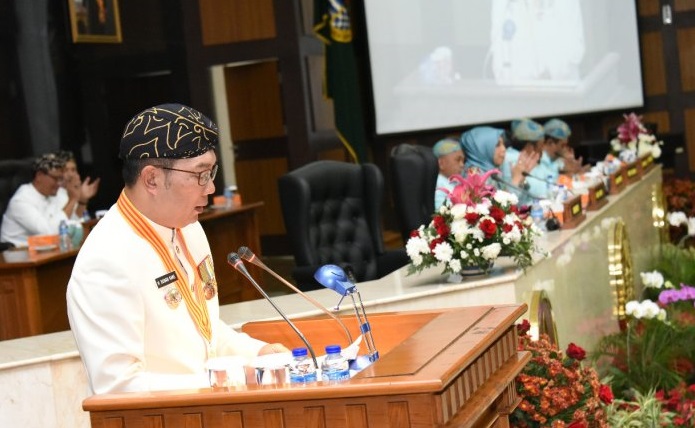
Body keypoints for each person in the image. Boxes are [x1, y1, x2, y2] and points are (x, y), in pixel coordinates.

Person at [66, 103, 288, 395]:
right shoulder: (106, 260)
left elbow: (204, 330)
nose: (210, 188)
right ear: (152, 179)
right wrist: (227, 379)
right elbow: (117, 386)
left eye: (211, 172)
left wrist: (258, 354)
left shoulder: (189, 229)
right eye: (200, 174)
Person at [0, 153, 74, 247]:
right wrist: (73, 200)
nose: (59, 184)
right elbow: (48, 232)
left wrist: (81, 201)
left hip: (45, 250)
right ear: (39, 175)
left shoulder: (55, 194)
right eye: (55, 179)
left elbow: (73, 223)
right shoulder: (21, 200)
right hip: (15, 252)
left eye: (61, 179)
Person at [499, 118, 542, 204]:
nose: (542, 149)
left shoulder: (510, 154)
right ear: (530, 146)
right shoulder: (515, 160)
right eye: (540, 145)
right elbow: (537, 191)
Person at [55, 150, 100, 219]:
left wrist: (83, 200)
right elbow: (60, 222)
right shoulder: (53, 194)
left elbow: (77, 219)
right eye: (65, 170)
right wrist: (73, 198)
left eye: (73, 170)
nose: (70, 174)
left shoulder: (75, 191)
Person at [433, 137, 465, 209]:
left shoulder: (455, 181)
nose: (462, 165)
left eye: (463, 161)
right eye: (458, 160)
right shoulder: (437, 186)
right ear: (441, 163)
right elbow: (443, 212)